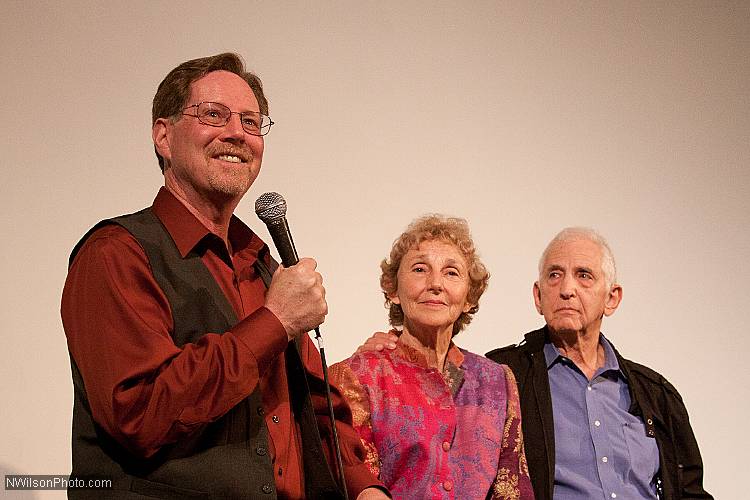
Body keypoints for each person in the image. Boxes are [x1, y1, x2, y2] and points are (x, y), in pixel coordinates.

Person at [61, 53, 387, 499]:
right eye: (213, 114)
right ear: (163, 136)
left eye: (251, 122)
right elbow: (137, 412)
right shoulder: (117, 253)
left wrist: (362, 488)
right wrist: (273, 322)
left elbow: (316, 406)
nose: (237, 132)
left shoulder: (262, 266)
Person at [365, 227, 712, 499]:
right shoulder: (500, 378)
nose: (567, 289)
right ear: (538, 296)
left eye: (584, 276)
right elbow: (431, 396)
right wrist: (393, 347)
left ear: (612, 298)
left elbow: (690, 491)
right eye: (554, 275)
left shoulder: (656, 394)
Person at [329, 215, 534, 500]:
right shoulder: (356, 377)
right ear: (393, 290)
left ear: (469, 298)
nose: (435, 283)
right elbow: (357, 481)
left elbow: (511, 488)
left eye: (451, 273)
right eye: (419, 269)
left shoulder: (497, 380)